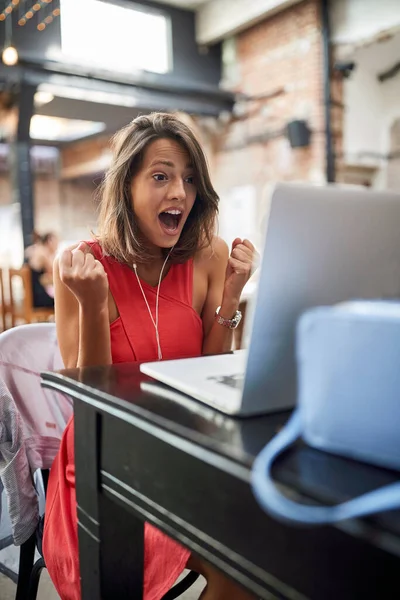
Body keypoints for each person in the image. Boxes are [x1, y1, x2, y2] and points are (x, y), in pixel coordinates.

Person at [43, 113, 257, 600]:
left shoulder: (209, 254)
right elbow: (88, 402)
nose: (179, 192)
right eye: (160, 176)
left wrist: (230, 300)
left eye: (188, 178)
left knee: (261, 565)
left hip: (181, 452)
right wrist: (95, 304)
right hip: (103, 466)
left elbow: (208, 373)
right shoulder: (82, 263)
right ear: (126, 187)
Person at [25, 231, 58, 307]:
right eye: (56, 241)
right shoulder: (43, 252)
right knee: (61, 300)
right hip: (37, 297)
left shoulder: (35, 249)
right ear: (49, 241)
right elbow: (53, 272)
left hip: (30, 296)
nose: (57, 245)